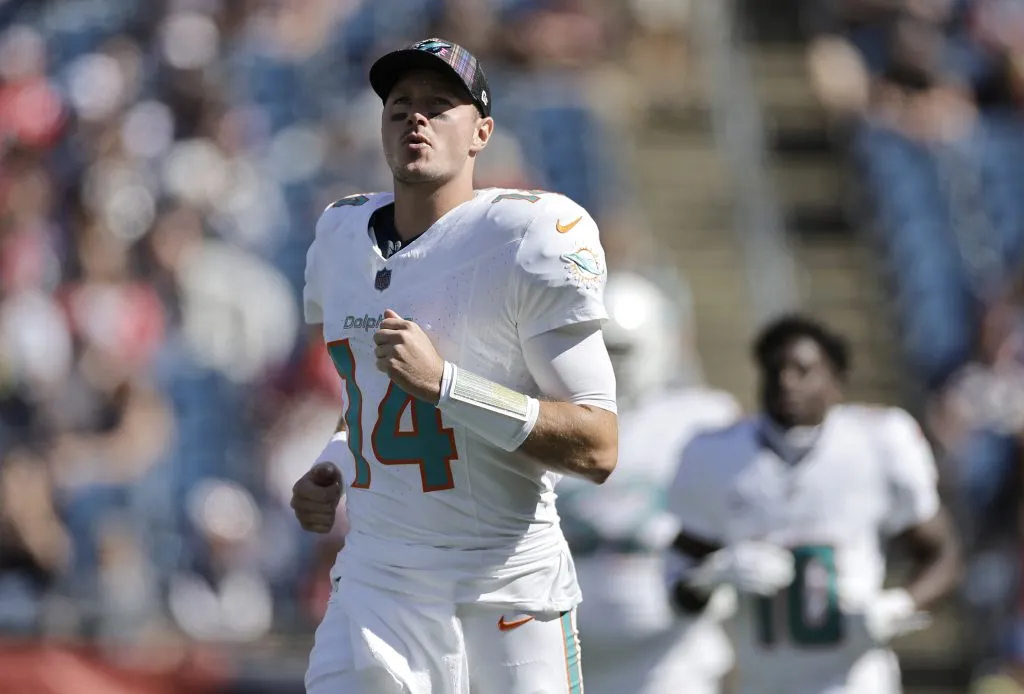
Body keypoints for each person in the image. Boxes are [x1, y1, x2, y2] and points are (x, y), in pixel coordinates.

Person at [289, 37, 619, 694]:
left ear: (481, 133)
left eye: (440, 105)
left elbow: (598, 445)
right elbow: (369, 397)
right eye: (400, 106)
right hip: (379, 584)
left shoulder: (529, 236)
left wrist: (445, 384)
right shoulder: (340, 237)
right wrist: (334, 461)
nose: (416, 118)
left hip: (504, 584)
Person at [664, 314, 962, 694]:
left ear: (835, 381)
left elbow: (943, 555)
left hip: (854, 681)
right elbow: (677, 587)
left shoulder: (878, 442)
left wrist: (899, 604)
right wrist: (714, 575)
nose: (786, 381)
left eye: (803, 370)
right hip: (763, 682)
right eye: (775, 368)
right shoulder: (716, 453)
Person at [555, 271, 741, 694]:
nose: (614, 364)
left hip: (671, 660)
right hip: (567, 654)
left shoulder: (702, 420)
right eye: (601, 349)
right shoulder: (553, 417)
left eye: (622, 349)